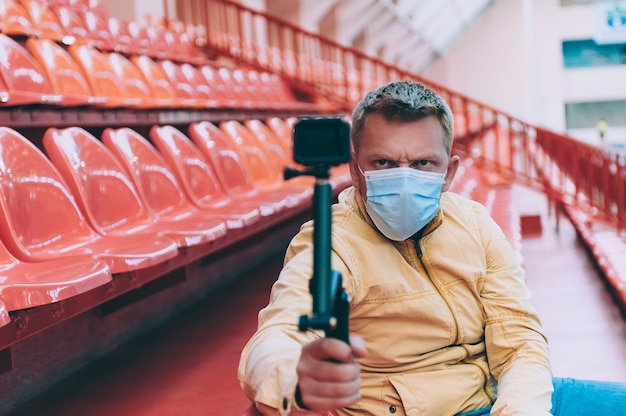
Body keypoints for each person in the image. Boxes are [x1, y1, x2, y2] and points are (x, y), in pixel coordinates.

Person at [238, 80, 626, 415]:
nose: (404, 178)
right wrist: (295, 376)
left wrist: (521, 409)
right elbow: (275, 339)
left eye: (423, 162)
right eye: (384, 162)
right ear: (356, 170)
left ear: (449, 172)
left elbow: (520, 338)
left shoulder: (474, 224)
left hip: (502, 399)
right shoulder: (331, 245)